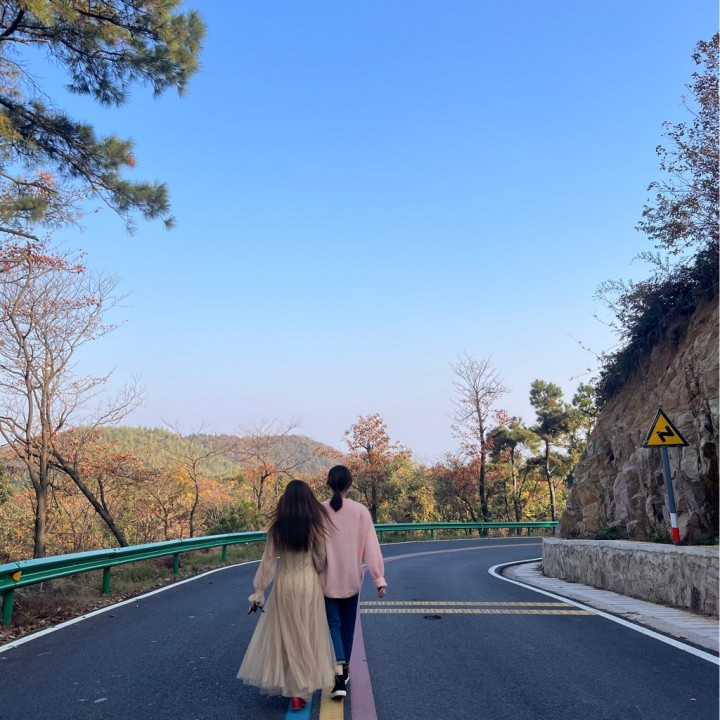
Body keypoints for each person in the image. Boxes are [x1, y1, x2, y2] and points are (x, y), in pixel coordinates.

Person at [237, 480, 336, 710]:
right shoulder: (314, 523)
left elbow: (268, 561)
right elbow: (321, 557)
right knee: (307, 634)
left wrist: (259, 592)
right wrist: (317, 565)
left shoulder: (277, 526)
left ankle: (293, 687)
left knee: (288, 635)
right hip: (308, 583)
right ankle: (300, 690)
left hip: (285, 583)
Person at [320, 465, 387, 700]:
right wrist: (378, 578)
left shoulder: (319, 511)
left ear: (329, 483)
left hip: (326, 580)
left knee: (333, 625)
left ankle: (339, 673)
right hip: (351, 580)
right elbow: (372, 548)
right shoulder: (361, 511)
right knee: (348, 626)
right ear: (349, 484)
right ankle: (343, 670)